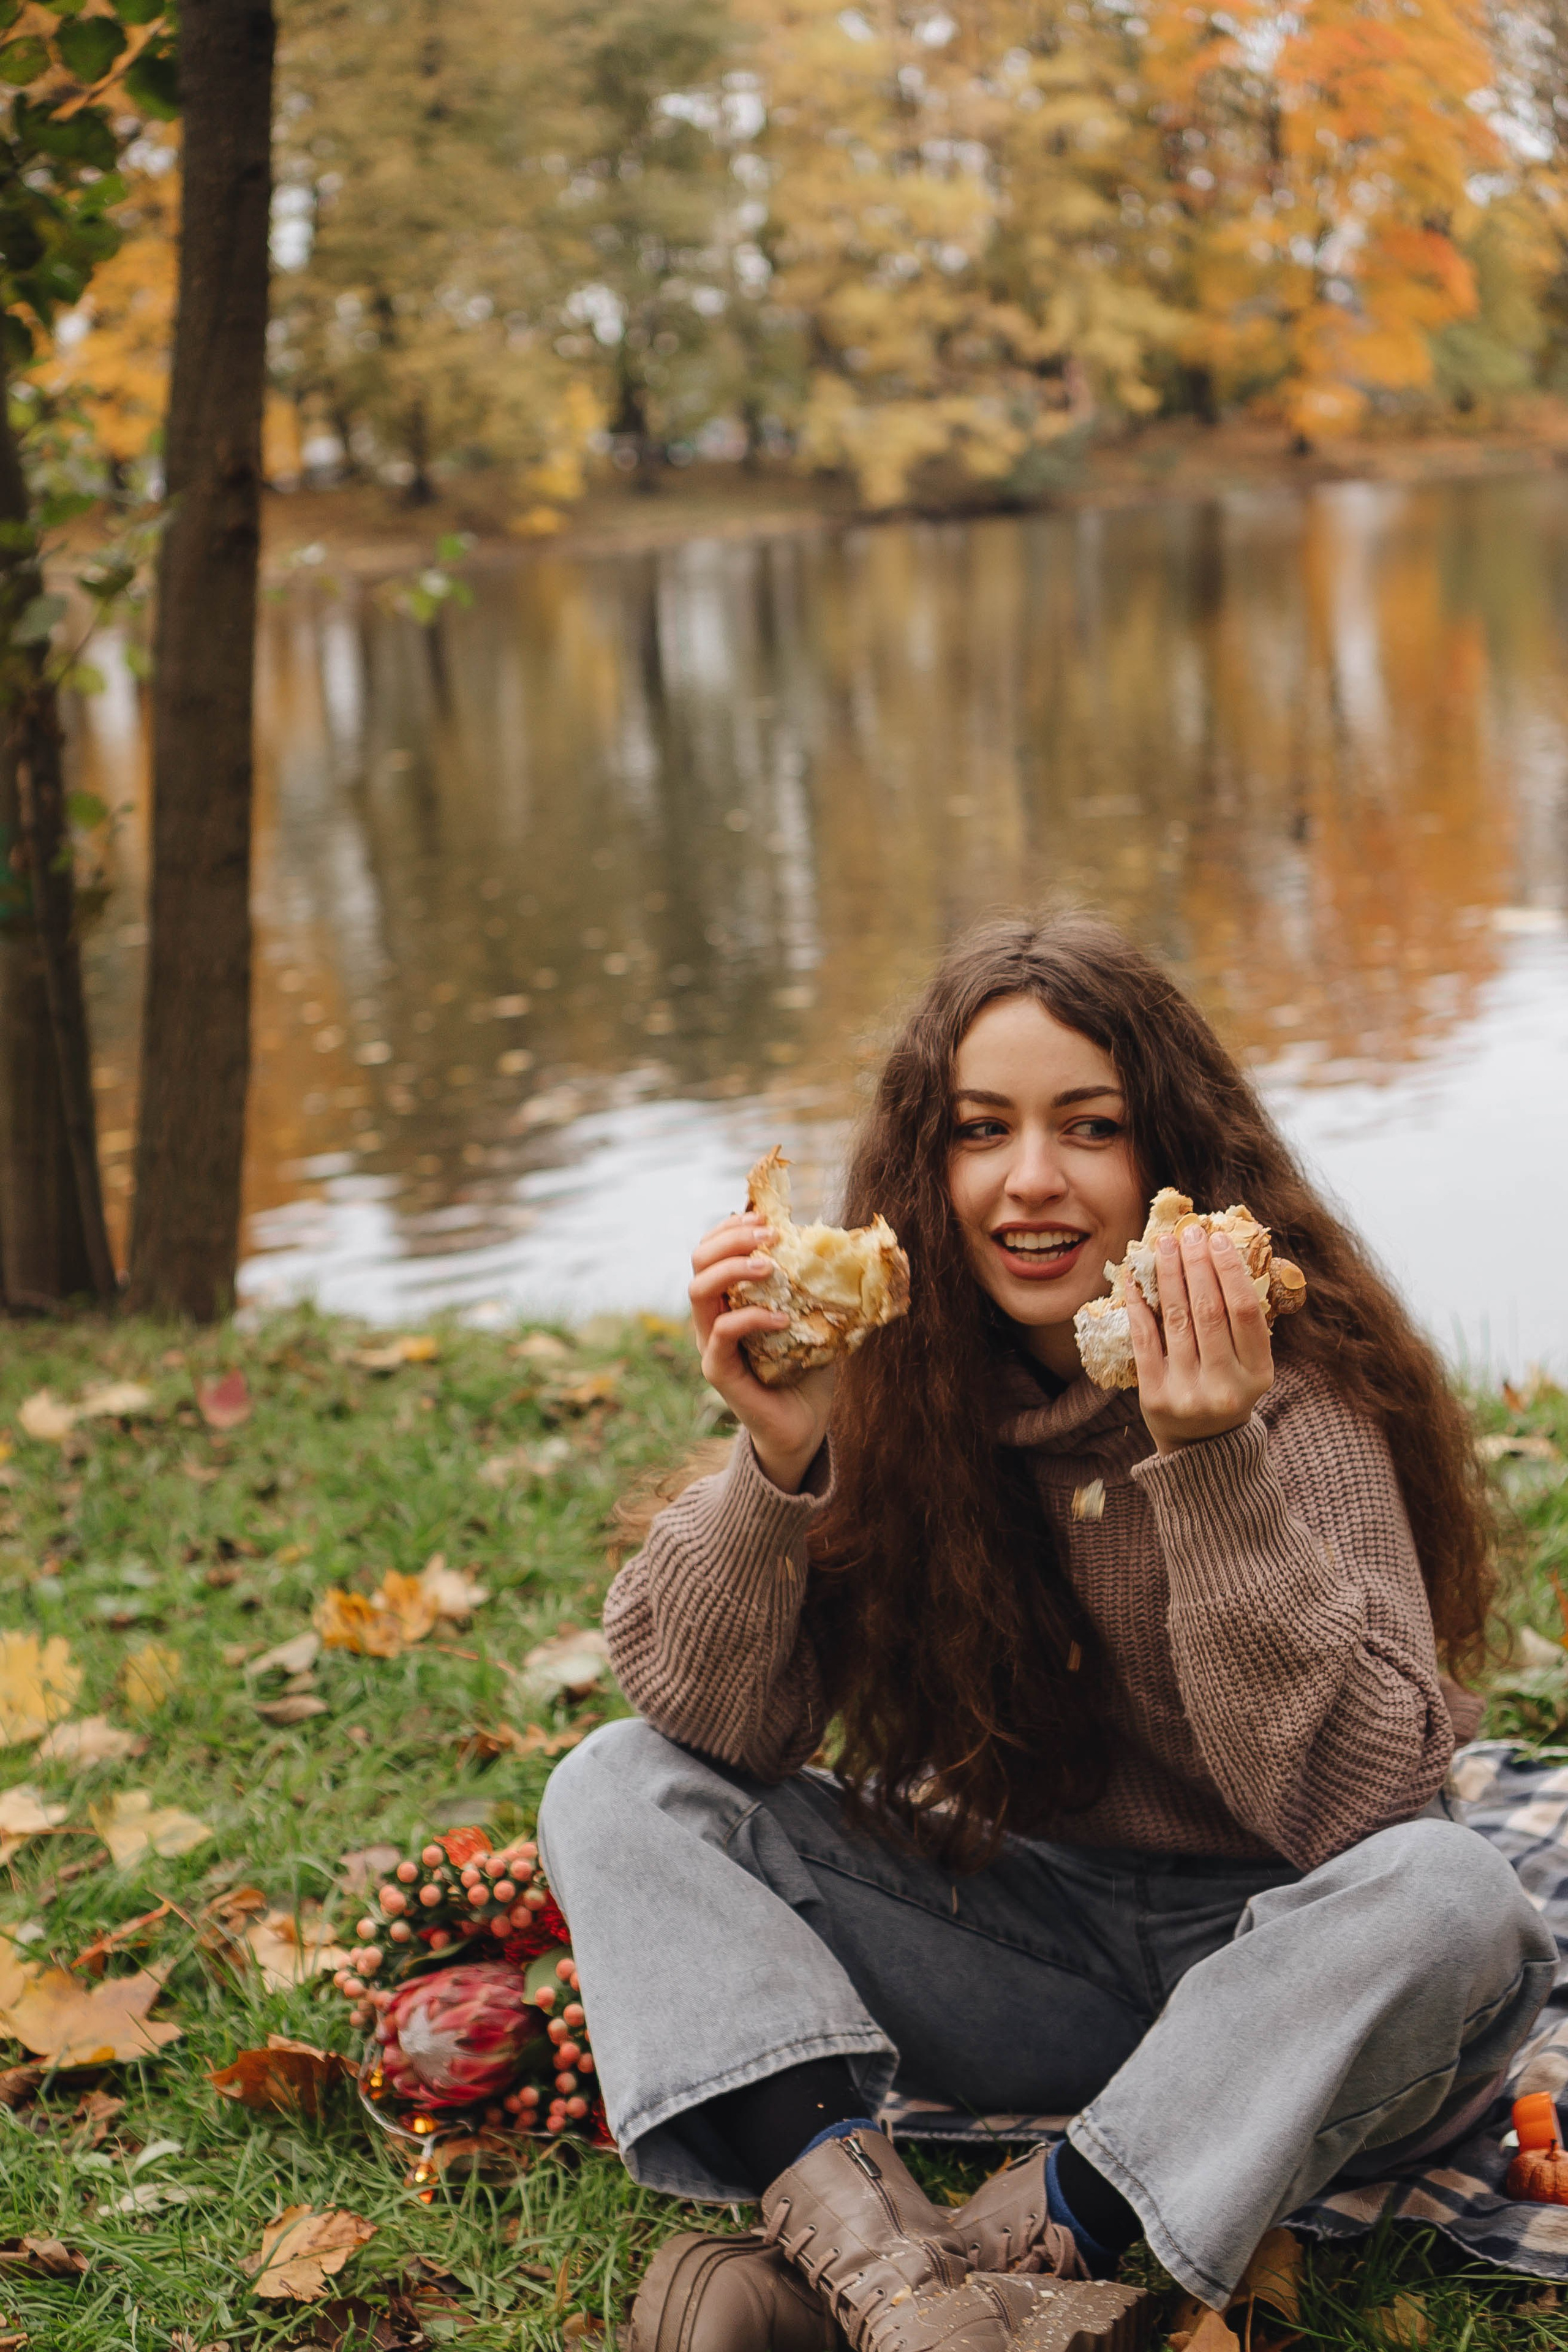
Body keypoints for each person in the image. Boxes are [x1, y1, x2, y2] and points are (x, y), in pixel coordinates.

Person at [538, 913, 1555, 2352]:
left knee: (1457, 1899)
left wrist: (1209, 1464)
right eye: (979, 1131)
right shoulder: (894, 1389)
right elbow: (717, 1726)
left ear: (1166, 1166)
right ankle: (894, 2273)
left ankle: (1000, 2252)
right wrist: (773, 1467)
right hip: (1030, 1948)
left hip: (1296, 1991)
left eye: (1088, 1127)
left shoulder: (1296, 1400)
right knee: (614, 1787)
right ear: (923, 1168)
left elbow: (1360, 1811)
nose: (1030, 1180)